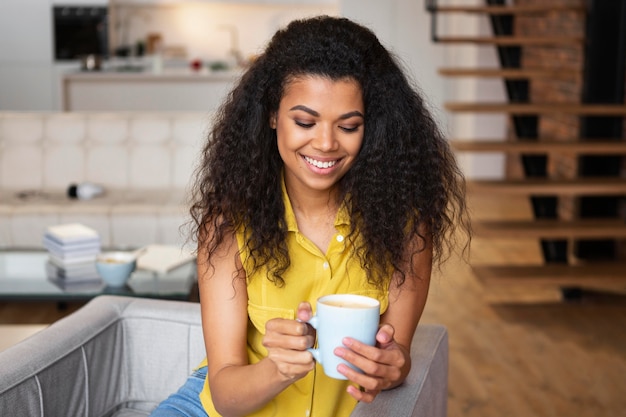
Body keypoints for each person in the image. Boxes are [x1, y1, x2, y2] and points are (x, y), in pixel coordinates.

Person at [151, 15, 471, 417]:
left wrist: (392, 368)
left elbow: (399, 356)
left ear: (372, 127)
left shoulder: (404, 228)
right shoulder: (228, 225)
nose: (325, 144)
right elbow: (225, 396)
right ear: (272, 116)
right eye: (305, 121)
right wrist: (277, 369)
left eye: (349, 126)